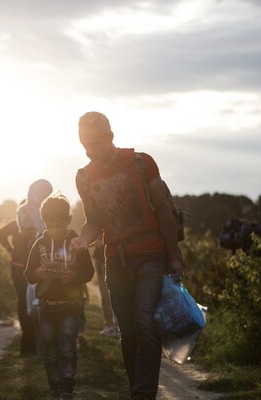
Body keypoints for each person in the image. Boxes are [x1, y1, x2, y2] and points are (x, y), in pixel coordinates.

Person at [70, 111, 184, 400]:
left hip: (151, 256)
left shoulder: (141, 163)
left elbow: (164, 213)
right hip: (115, 260)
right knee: (128, 331)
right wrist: (82, 240)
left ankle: (142, 395)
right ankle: (138, 389)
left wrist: (174, 258)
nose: (90, 151)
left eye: (95, 143)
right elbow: (94, 221)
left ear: (109, 136)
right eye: (85, 145)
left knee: (146, 323)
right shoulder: (84, 177)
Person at [24, 194, 94, 400]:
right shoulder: (39, 244)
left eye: (59, 225)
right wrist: (38, 274)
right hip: (45, 306)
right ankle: (55, 388)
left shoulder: (77, 243)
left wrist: (74, 276)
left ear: (69, 220)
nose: (54, 230)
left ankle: (66, 388)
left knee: (66, 347)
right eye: (50, 225)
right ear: (44, 222)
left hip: (71, 305)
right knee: (50, 349)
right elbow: (28, 275)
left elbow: (88, 273)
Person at [17, 179, 54, 357]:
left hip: (45, 259)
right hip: (25, 262)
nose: (39, 195)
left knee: (45, 299)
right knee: (27, 304)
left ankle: (47, 343)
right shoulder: (23, 211)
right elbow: (24, 232)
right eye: (37, 191)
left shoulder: (49, 209)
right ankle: (30, 344)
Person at [0, 206, 37, 356]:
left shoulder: (35, 226)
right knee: (25, 299)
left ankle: (29, 332)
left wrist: (9, 249)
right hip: (20, 269)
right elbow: (1, 233)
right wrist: (9, 248)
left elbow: (1, 233)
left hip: (25, 269)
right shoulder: (19, 225)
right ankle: (28, 332)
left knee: (24, 300)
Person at [91, 238, 119, 337]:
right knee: (105, 294)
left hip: (115, 259)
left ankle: (117, 326)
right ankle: (110, 325)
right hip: (101, 260)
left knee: (116, 294)